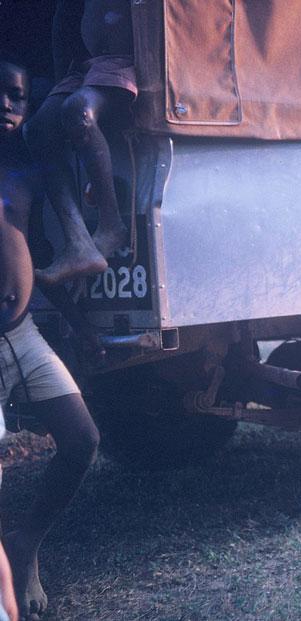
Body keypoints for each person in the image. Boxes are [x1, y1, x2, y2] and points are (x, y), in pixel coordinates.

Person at [1, 55, 100, 621]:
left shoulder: (27, 171)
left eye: (16, 97)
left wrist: (82, 328)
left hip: (23, 334)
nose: (6, 107)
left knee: (83, 440)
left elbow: (40, 259)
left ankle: (26, 543)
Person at [24, 0, 134, 286]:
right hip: (86, 67)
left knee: (78, 110)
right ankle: (78, 243)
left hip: (126, 60)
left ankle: (111, 225)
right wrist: (63, 81)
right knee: (37, 128)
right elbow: (64, 22)